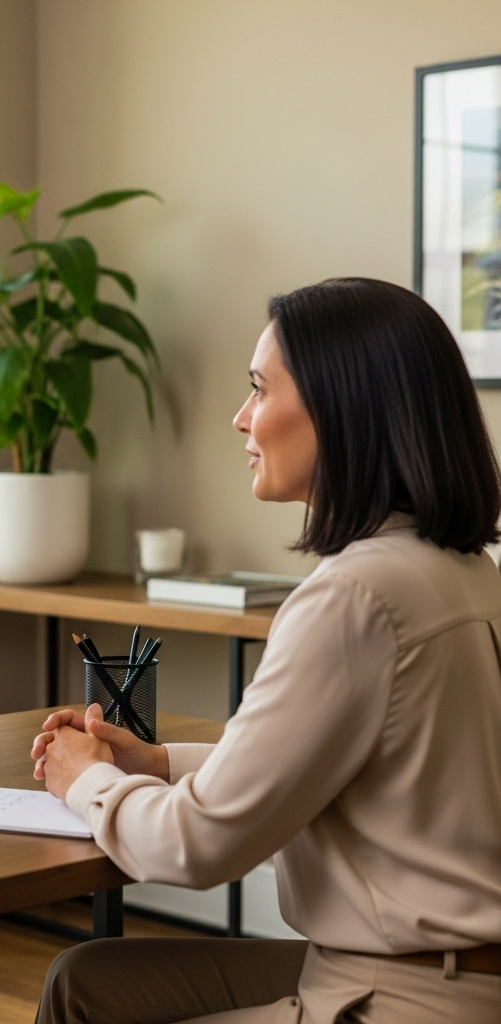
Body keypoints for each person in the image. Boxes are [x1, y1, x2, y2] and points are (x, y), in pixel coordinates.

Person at [30, 278, 501, 1024]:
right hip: (439, 972)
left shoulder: (352, 598)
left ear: (342, 412)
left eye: (258, 390)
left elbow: (194, 848)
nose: (240, 417)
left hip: (397, 995)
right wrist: (157, 764)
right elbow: (349, 769)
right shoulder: (463, 571)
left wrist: (84, 782)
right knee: (84, 981)